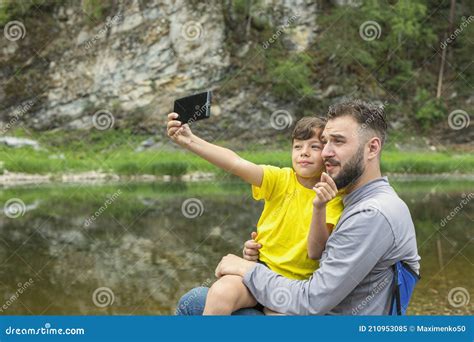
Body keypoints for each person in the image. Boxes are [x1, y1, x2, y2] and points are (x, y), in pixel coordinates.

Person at [179, 99, 421, 315]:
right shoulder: (357, 198)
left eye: (337, 142)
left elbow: (312, 298)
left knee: (195, 302)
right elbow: (236, 163)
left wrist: (247, 269)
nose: (324, 153)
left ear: (372, 148)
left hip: (312, 312)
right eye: (324, 143)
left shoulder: (370, 213)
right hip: (302, 301)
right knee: (212, 297)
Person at [167, 113, 344, 315]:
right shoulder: (280, 179)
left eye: (314, 147)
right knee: (220, 292)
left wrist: (319, 206)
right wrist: (189, 140)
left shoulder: (332, 195)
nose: (304, 152)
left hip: (293, 289)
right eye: (297, 146)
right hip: (258, 272)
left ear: (327, 153)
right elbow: (235, 162)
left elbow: (316, 251)